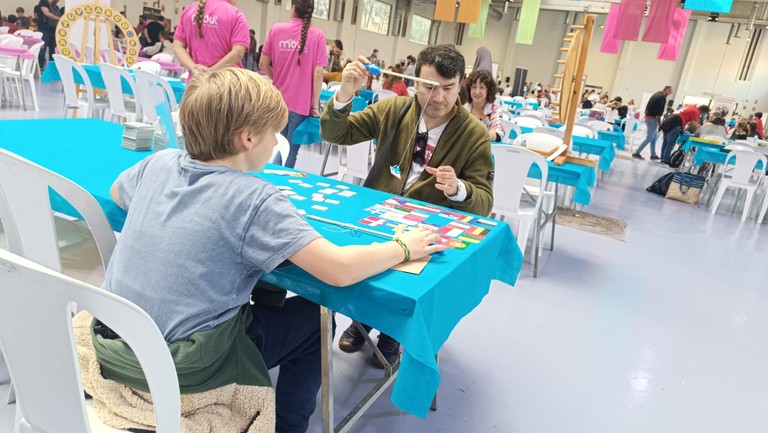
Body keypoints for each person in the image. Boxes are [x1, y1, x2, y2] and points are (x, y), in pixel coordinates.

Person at [88, 67, 444, 433]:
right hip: (184, 366)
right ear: (247, 138)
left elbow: (117, 192)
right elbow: (340, 269)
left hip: (113, 342)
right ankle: (288, 427)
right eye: (273, 132)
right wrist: (403, 246)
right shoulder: (255, 199)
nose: (276, 142)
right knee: (315, 320)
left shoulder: (159, 163)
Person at [320, 45, 494, 368]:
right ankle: (362, 321)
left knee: (404, 283)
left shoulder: (474, 136)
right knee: (360, 267)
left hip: (427, 234)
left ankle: (392, 333)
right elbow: (335, 132)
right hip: (377, 220)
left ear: (461, 84)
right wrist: (344, 93)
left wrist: (459, 189)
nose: (438, 97)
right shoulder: (394, 110)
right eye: (429, 86)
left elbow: (484, 201)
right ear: (414, 82)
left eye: (448, 88)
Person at [260, 0, 326, 169]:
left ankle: (270, 177)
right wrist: (315, 105)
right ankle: (279, 181)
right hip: (301, 104)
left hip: (277, 100)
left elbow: (263, 64)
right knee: (290, 149)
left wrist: (278, 78)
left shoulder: (276, 30)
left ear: (293, 8)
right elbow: (318, 73)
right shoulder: (318, 36)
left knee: (274, 145)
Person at [173, 0, 250, 74]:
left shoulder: (189, 11)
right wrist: (210, 72)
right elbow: (238, 52)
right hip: (227, 79)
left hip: (196, 79)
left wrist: (194, 67)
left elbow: (177, 46)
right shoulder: (236, 14)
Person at [632, 85, 672, 161]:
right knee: (649, 138)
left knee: (654, 137)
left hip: (648, 117)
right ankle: (636, 152)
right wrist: (660, 123)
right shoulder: (662, 97)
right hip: (651, 118)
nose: (670, 94)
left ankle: (653, 154)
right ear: (666, 89)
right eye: (670, 92)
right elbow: (658, 111)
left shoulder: (657, 94)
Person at [464, 69, 505, 142]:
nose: (477, 92)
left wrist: (478, 138)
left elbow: (498, 132)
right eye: (474, 87)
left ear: (488, 90)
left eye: (481, 87)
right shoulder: (464, 109)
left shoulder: (494, 110)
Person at [35, 0, 61, 69]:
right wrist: (59, 18)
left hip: (54, 30)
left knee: (53, 49)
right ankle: (40, 65)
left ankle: (52, 66)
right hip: (44, 29)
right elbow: (47, 13)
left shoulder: (55, 6)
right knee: (42, 48)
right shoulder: (43, 2)